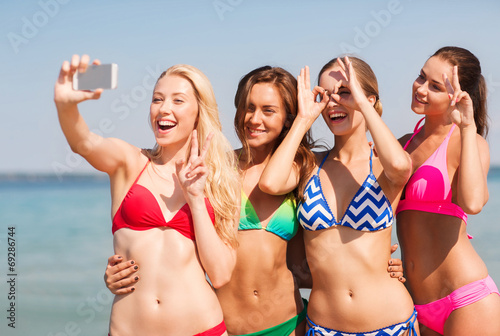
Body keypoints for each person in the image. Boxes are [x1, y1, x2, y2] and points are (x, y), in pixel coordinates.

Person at [104, 65, 406, 336]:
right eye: (248, 108)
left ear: (287, 118)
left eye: (268, 110)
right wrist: (124, 274)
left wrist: (379, 268)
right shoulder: (209, 170)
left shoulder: (301, 168)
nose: (254, 119)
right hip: (223, 323)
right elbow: (164, 235)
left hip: (288, 323)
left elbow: (314, 257)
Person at [54, 54, 240, 336]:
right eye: (157, 99)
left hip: (202, 329)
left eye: (178, 100)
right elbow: (84, 142)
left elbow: (220, 274)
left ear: (199, 112)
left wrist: (196, 199)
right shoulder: (130, 162)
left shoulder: (220, 180)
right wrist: (66, 106)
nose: (164, 108)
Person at [259, 56, 418, 335]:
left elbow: (402, 167)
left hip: (391, 324)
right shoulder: (310, 165)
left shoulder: (382, 164)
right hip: (324, 327)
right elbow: (271, 183)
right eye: (325, 95)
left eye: (344, 92)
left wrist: (360, 101)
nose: (333, 102)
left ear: (367, 97)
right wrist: (304, 118)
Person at [395, 46, 500, 335]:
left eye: (435, 86)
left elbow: (473, 202)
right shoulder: (401, 144)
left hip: (466, 301)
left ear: (457, 96)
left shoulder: (470, 143)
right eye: (421, 77)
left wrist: (467, 127)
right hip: (414, 304)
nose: (421, 89)